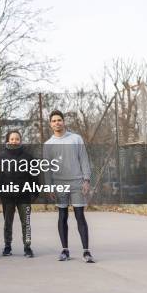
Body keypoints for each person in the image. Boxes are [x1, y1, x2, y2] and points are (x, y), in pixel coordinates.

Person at [43, 110, 95, 263]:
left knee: (80, 215)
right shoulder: (48, 144)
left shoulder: (76, 139)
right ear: (50, 124)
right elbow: (47, 167)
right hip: (59, 184)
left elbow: (84, 159)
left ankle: (86, 252)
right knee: (62, 216)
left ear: (63, 121)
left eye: (59, 120)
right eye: (54, 121)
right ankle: (65, 250)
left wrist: (86, 180)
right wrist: (49, 186)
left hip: (77, 182)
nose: (57, 123)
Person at [0, 130, 38, 258]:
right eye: (12, 139)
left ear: (20, 140)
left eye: (17, 139)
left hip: (24, 196)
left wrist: (34, 193)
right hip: (7, 196)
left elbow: (34, 176)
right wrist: (0, 192)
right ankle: (7, 246)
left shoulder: (28, 157)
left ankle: (27, 247)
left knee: (26, 222)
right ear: (8, 140)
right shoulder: (1, 157)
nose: (14, 141)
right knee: (7, 222)